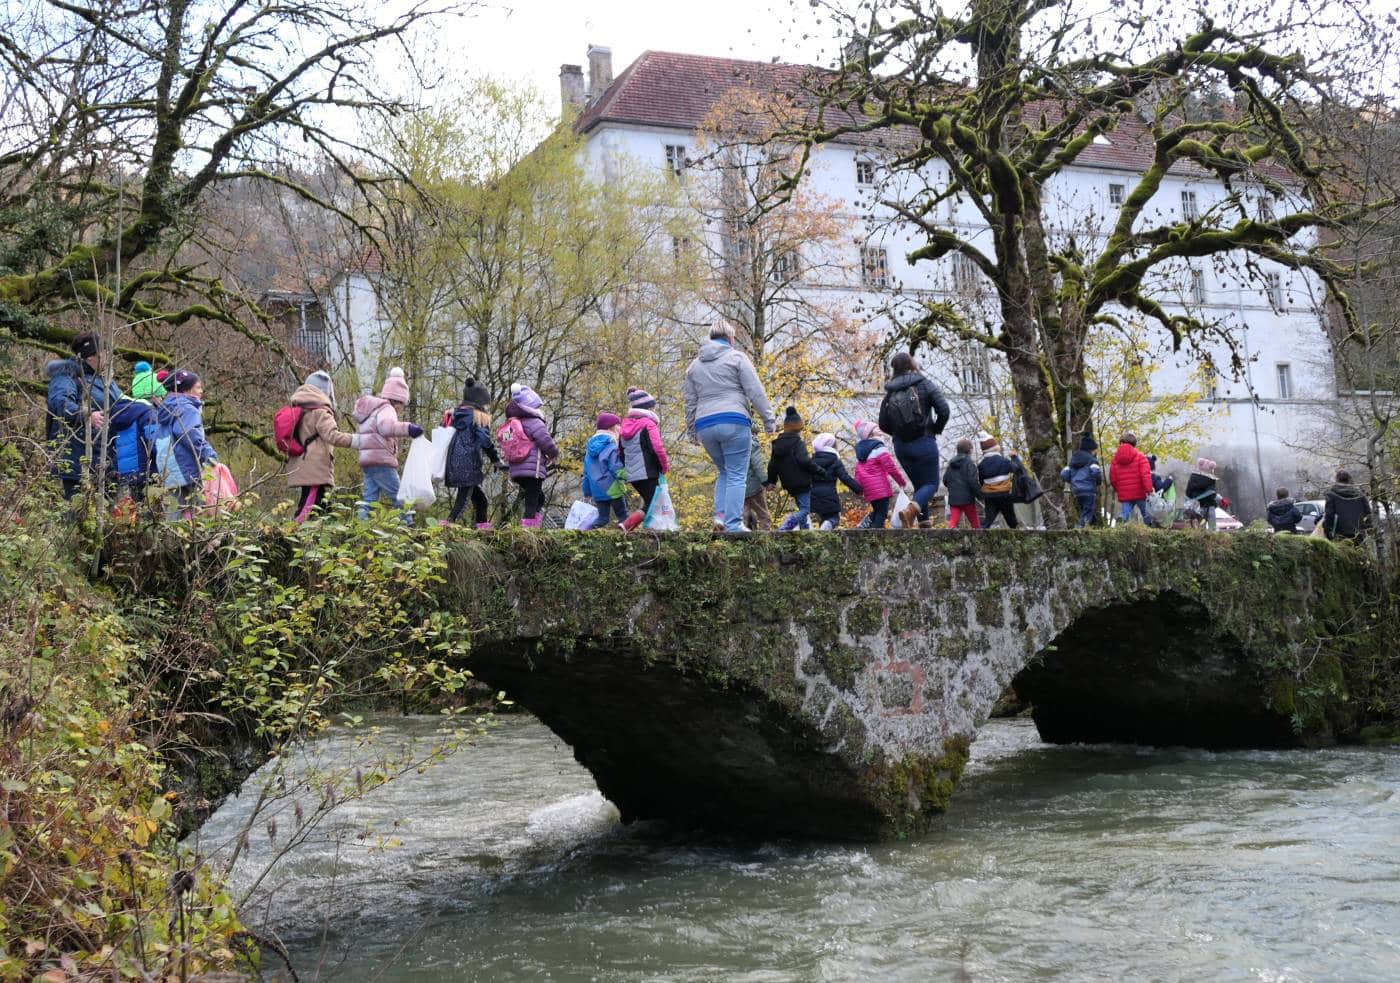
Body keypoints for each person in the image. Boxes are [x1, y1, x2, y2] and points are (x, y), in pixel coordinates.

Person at [683, 322, 776, 532]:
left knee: (724, 471)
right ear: (730, 338)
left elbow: (689, 401)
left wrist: (692, 431)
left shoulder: (693, 367)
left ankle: (720, 518)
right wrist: (768, 419)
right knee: (736, 473)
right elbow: (755, 390)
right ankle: (734, 524)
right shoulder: (737, 358)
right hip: (733, 420)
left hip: (705, 425)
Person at [45, 332, 121, 500]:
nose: (109, 357)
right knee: (79, 514)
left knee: (106, 516)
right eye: (104, 353)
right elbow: (61, 402)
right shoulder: (67, 374)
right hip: (78, 459)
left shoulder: (106, 380)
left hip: (107, 458)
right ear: (90, 357)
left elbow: (121, 404)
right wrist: (87, 415)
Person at [878, 352, 950, 528]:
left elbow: (882, 424)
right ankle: (910, 511)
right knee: (931, 484)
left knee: (920, 484)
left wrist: (898, 434)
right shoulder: (924, 384)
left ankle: (924, 523)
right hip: (924, 441)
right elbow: (944, 410)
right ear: (912, 364)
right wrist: (935, 428)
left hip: (902, 447)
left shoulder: (890, 393)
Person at [286, 370, 361, 523]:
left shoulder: (300, 409)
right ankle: (292, 532)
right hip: (315, 467)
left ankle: (327, 530)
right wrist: (357, 440)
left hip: (302, 463)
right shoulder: (321, 412)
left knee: (321, 503)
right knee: (308, 504)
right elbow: (332, 436)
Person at [353, 367, 423, 522]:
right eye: (401, 404)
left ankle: (360, 526)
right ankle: (408, 525)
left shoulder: (372, 410)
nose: (400, 408)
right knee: (400, 495)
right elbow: (386, 427)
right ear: (397, 400)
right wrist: (409, 428)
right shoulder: (387, 409)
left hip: (367, 460)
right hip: (381, 460)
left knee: (369, 498)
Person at [157, 370, 218, 518]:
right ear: (186, 389)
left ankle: (171, 540)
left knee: (173, 513)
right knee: (198, 511)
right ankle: (196, 539)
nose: (201, 391)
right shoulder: (187, 408)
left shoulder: (166, 408)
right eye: (198, 387)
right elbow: (188, 434)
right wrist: (209, 455)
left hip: (168, 468)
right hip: (186, 466)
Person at [443, 378, 500, 529]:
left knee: (481, 500)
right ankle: (447, 526)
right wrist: (495, 460)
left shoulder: (456, 415)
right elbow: (484, 440)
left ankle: (481, 526)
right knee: (462, 501)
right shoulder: (478, 417)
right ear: (480, 401)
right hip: (469, 463)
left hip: (454, 462)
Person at [501, 383, 558, 528]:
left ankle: (534, 523)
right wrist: (553, 453)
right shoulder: (533, 421)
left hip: (517, 470)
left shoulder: (512, 423)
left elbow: (505, 443)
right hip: (533, 469)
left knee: (539, 497)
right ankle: (528, 529)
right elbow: (544, 439)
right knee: (532, 500)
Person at [113, 361, 165, 499]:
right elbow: (156, 444)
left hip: (127, 473)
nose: (162, 399)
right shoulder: (149, 414)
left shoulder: (123, 411)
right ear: (153, 396)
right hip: (148, 472)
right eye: (161, 395)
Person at [766, 406, 823, 531]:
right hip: (802, 481)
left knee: (801, 507)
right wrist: (818, 470)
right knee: (805, 510)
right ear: (798, 429)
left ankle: (805, 530)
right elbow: (804, 460)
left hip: (788, 483)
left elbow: (772, 465)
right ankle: (789, 523)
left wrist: (771, 481)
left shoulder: (777, 444)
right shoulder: (798, 443)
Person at [618, 387, 670, 518]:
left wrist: (628, 469)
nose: (654, 409)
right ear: (648, 408)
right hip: (648, 472)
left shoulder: (625, 426)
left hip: (633, 475)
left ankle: (641, 528)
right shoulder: (648, 424)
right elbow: (657, 447)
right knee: (656, 502)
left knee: (651, 502)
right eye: (653, 406)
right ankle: (627, 526)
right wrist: (664, 466)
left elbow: (620, 452)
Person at [853, 420, 911, 528]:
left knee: (878, 510)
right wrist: (901, 481)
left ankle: (865, 526)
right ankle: (875, 537)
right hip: (880, 487)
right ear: (870, 433)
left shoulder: (861, 451)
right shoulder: (878, 447)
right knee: (882, 513)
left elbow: (858, 471)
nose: (878, 428)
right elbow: (890, 467)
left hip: (868, 488)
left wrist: (859, 487)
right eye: (875, 428)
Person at [583, 412, 627, 529]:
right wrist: (628, 475)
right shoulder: (611, 445)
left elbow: (586, 473)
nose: (620, 428)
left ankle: (587, 532)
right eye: (618, 425)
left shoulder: (589, 449)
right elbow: (615, 467)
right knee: (623, 516)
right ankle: (628, 539)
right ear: (610, 427)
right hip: (612, 487)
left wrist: (587, 491)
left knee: (603, 518)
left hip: (596, 489)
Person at [810, 432, 860, 529]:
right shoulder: (835, 460)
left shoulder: (812, 461)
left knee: (823, 519)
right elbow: (845, 477)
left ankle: (823, 537)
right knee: (834, 518)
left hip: (814, 495)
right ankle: (825, 527)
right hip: (829, 494)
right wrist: (858, 489)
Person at [1109, 432, 1153, 525]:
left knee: (1125, 511)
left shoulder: (1115, 459)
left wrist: (1119, 489)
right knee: (1145, 512)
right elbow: (1145, 475)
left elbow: (1113, 478)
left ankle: (1121, 521)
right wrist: (1148, 489)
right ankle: (1151, 528)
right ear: (1134, 443)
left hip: (1125, 492)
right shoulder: (1141, 456)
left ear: (1121, 442)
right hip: (1140, 492)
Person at [1060, 433, 1103, 528]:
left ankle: (1092, 526)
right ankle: (1080, 529)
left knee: (1086, 510)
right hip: (1088, 490)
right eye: (1094, 450)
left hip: (1076, 491)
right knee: (1087, 511)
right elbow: (1096, 473)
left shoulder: (1073, 460)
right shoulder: (1092, 460)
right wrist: (1098, 482)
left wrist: (1073, 481)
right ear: (1091, 449)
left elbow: (1064, 474)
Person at [977, 435, 1020, 529]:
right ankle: (1017, 537)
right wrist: (1014, 457)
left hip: (990, 496)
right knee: (1011, 519)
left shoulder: (981, 465)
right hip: (1004, 494)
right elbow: (1016, 469)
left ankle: (979, 536)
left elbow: (981, 481)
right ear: (996, 448)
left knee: (988, 520)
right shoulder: (1004, 461)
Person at [943, 438, 982, 529]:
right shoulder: (969, 463)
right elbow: (973, 481)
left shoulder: (951, 464)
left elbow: (945, 480)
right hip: (967, 499)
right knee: (975, 524)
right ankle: (980, 541)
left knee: (953, 522)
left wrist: (953, 488)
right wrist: (980, 494)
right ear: (970, 450)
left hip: (954, 498)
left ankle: (945, 540)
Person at [1322, 470, 1371, 542]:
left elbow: (1329, 515)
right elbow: (1368, 513)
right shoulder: (1360, 494)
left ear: (1337, 479)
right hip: (1359, 533)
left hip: (1340, 533)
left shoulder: (1331, 494)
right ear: (1349, 479)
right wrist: (1367, 528)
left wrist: (1327, 531)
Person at [743, 426, 771, 531]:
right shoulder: (753, 444)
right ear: (754, 433)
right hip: (754, 487)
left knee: (743, 514)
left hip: (739, 486)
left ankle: (741, 538)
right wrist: (765, 481)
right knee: (763, 513)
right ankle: (765, 538)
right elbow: (758, 465)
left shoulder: (734, 444)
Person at [1184, 457, 1220, 531]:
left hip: (1198, 506)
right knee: (1212, 526)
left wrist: (1193, 498)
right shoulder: (1212, 479)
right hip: (1209, 506)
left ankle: (1200, 536)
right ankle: (1212, 539)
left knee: (1200, 525)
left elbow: (1188, 492)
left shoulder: (1193, 476)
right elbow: (1212, 493)